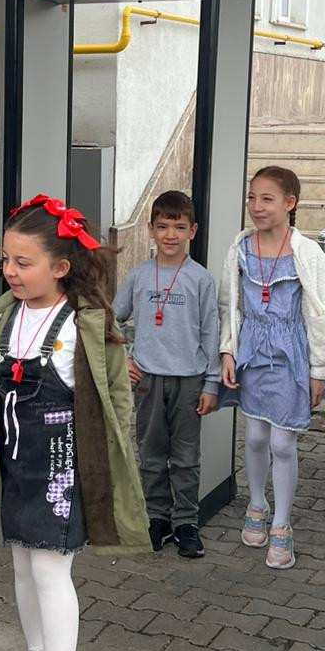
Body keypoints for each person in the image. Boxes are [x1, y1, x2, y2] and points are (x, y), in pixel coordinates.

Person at [0, 193, 150, 651]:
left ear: (60, 268)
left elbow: (116, 400)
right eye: (6, 260)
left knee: (48, 567)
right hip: (17, 463)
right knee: (22, 563)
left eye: (24, 262)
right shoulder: (4, 315)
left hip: (62, 465)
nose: (10, 271)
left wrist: (113, 468)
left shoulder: (86, 322)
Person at [217, 167, 325, 570]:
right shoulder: (240, 249)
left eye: (267, 199)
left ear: (289, 203)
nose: (256, 206)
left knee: (282, 443)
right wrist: (227, 351)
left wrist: (318, 370)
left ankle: (281, 523)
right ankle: (256, 504)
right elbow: (230, 305)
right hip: (252, 353)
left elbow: (319, 314)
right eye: (252, 197)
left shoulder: (307, 253)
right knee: (255, 435)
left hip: (292, 357)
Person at [112, 189, 219, 559]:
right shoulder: (138, 276)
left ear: (193, 231)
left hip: (189, 380)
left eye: (179, 227)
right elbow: (111, 319)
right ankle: (157, 517)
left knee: (186, 456)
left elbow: (211, 333)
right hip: (148, 380)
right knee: (151, 453)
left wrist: (211, 383)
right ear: (150, 230)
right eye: (162, 227)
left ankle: (186, 522)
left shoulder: (201, 280)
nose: (170, 235)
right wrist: (123, 359)